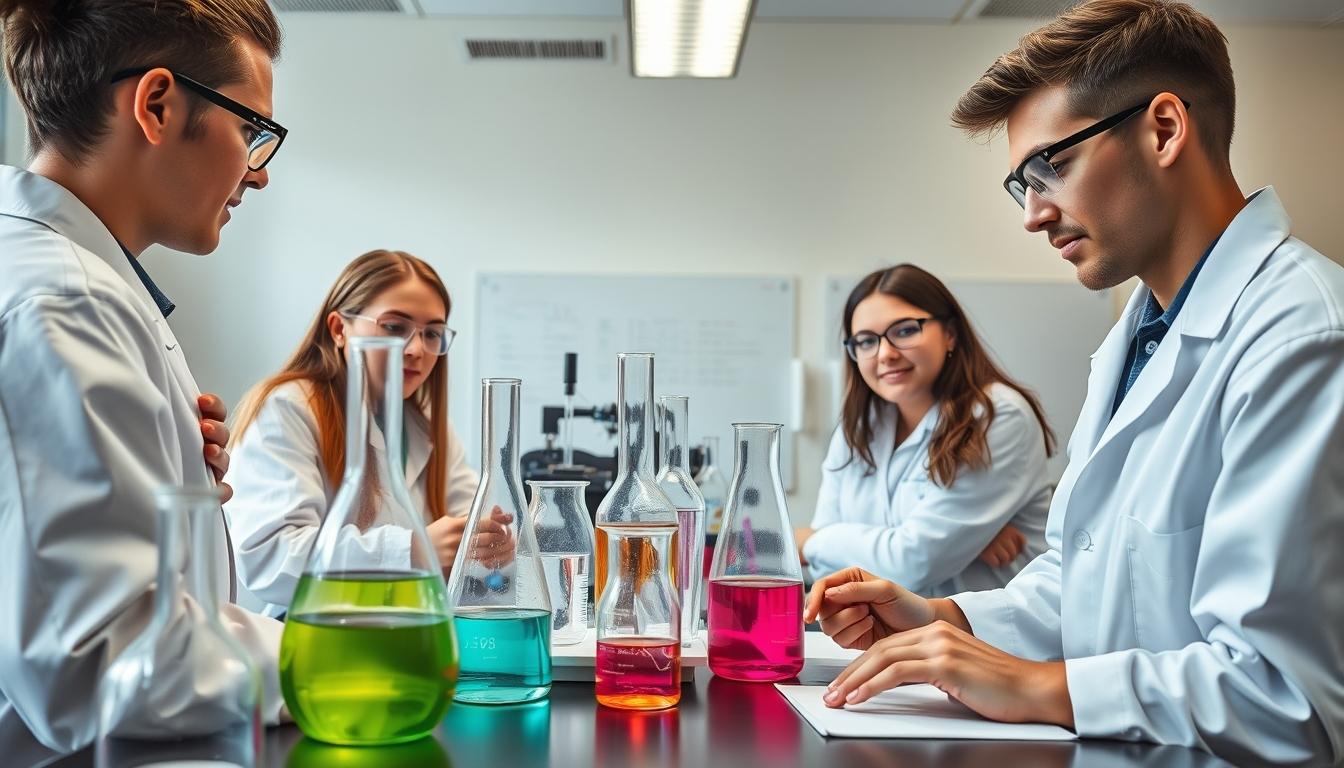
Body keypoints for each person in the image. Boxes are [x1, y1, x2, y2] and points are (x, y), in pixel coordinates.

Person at [804, 1, 1344, 763]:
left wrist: (1035, 686)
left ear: (1164, 129)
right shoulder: (1137, 337)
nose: (1033, 214)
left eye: (1049, 167)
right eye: (1020, 183)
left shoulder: (1304, 338)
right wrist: (943, 619)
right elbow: (1081, 580)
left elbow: (1288, 699)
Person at [0, 0, 289, 754]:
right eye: (250, 131)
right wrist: (347, 652)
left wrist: (167, 482)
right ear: (157, 105)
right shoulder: (64, 299)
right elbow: (104, 662)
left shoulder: (64, 278)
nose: (256, 175)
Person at [224, 249, 480, 617]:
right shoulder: (289, 409)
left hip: (405, 632)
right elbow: (272, 558)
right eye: (394, 327)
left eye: (432, 334)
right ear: (339, 329)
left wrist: (490, 546)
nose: (417, 350)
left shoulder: (427, 427)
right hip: (316, 635)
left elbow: (467, 522)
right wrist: (413, 552)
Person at [798, 264, 1054, 595]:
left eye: (904, 331)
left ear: (950, 334)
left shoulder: (997, 415)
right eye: (865, 341)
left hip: (979, 640)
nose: (885, 354)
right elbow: (828, 570)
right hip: (878, 637)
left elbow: (912, 564)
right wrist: (963, 543)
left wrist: (809, 540)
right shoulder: (858, 429)